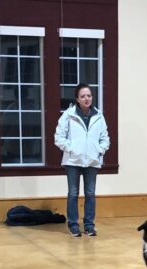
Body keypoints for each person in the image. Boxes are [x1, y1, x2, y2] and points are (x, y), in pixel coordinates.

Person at [54, 83, 110, 237]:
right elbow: (58, 137)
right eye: (83, 96)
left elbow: (105, 138)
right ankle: (73, 225)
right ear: (77, 99)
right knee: (73, 193)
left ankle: (89, 226)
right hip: (72, 161)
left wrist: (99, 150)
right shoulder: (68, 115)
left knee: (90, 194)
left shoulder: (99, 116)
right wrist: (71, 148)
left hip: (92, 161)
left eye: (89, 96)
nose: (87, 98)